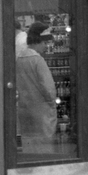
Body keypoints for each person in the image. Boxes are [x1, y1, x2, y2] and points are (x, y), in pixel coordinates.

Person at [16, 21, 57, 153]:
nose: (45, 47)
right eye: (44, 43)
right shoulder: (38, 61)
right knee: (43, 152)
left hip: (25, 112)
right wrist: (52, 103)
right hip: (41, 114)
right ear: (38, 41)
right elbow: (49, 88)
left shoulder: (19, 60)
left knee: (29, 150)